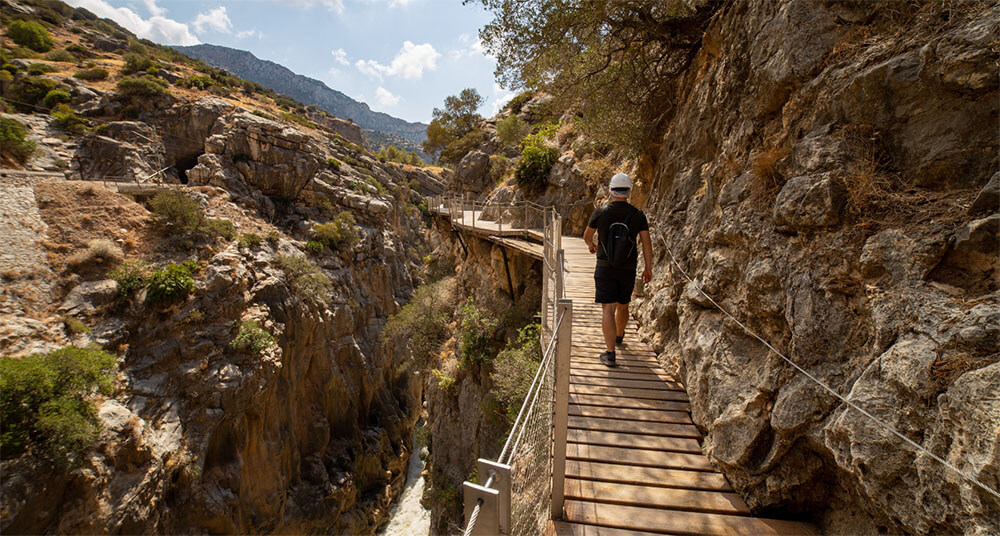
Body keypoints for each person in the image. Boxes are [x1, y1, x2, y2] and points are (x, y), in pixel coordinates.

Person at [583, 173, 652, 367]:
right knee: (623, 304)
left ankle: (610, 353)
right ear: (629, 192)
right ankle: (619, 335)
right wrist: (648, 268)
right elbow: (646, 243)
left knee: (608, 308)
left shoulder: (601, 212)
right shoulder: (638, 215)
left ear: (611, 190)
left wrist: (591, 245)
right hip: (627, 267)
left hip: (605, 266)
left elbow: (587, 236)